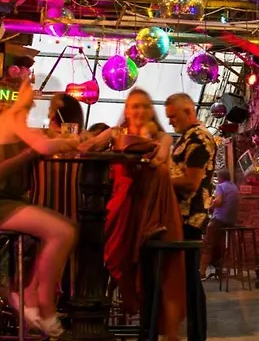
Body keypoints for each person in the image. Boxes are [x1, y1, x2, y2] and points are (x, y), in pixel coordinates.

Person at [0, 77, 80, 338]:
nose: (34, 96)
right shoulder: (7, 119)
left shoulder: (16, 120)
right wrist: (63, 143)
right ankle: (45, 306)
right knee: (63, 232)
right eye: (29, 90)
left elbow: (43, 141)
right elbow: (37, 149)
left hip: (8, 201)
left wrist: (66, 141)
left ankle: (26, 294)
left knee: (65, 229)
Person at [80, 88, 185, 341]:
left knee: (167, 269)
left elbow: (159, 160)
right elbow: (85, 148)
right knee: (100, 251)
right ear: (126, 110)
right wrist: (99, 138)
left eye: (144, 106)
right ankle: (96, 322)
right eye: (134, 106)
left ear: (151, 111)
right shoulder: (116, 134)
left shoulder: (162, 137)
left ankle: (167, 333)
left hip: (157, 209)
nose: (139, 111)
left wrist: (148, 142)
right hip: (124, 210)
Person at [166, 93, 216, 340]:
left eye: (173, 116)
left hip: (189, 217)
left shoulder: (198, 138)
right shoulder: (188, 137)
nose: (170, 121)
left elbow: (191, 182)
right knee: (186, 277)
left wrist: (159, 180)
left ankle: (197, 334)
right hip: (180, 216)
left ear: (188, 111)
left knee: (189, 278)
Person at [201, 169, 240, 278]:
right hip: (231, 221)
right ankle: (219, 268)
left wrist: (211, 205)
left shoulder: (221, 186)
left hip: (220, 219)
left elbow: (218, 201)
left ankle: (202, 272)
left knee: (207, 243)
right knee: (218, 241)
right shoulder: (234, 187)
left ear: (220, 178)